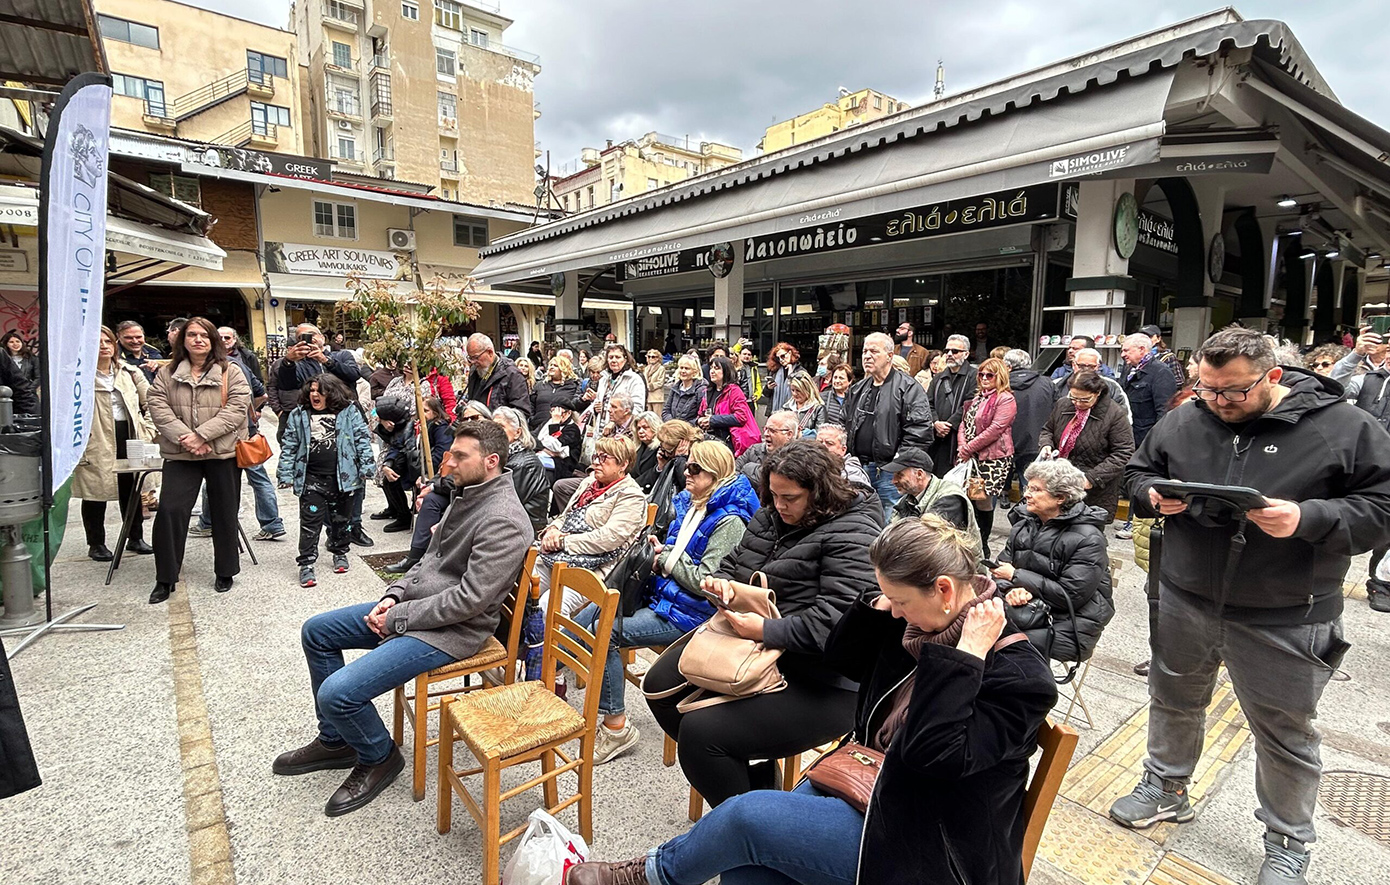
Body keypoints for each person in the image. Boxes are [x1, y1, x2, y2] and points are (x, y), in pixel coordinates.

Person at [571, 512, 1056, 885]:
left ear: (945, 591)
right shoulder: (920, 626)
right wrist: (874, 606)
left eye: (901, 600)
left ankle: (649, 875)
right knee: (747, 862)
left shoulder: (1017, 674)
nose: (898, 612)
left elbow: (937, 757)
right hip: (868, 781)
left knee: (743, 818)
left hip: (931, 841)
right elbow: (843, 662)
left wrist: (966, 659)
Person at [1113, 326, 1390, 884]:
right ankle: (1166, 785)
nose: (1218, 402)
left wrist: (1308, 519)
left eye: (1233, 392)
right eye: (1207, 389)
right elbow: (1139, 469)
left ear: (1274, 377)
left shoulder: (1344, 427)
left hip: (1285, 609)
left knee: (1285, 732)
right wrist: (1151, 494)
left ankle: (1287, 841)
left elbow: (1381, 506)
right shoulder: (1188, 415)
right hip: (1186, 593)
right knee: (1172, 697)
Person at [274, 420, 531, 817]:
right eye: (450, 454)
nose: (448, 464)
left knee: (337, 693)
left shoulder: (504, 519)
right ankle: (336, 740)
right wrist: (391, 596)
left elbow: (470, 602)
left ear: (491, 461)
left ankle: (379, 755)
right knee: (317, 632)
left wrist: (398, 617)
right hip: (417, 611)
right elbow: (427, 560)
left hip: (453, 632)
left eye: (460, 456)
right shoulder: (467, 495)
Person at [643, 441, 882, 807]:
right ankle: (750, 785)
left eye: (791, 497)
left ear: (820, 494)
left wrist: (764, 630)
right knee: (659, 686)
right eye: (773, 495)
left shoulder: (853, 532)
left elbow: (833, 624)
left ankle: (749, 824)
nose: (780, 505)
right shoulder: (771, 513)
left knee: (701, 734)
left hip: (822, 678)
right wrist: (718, 583)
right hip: (754, 648)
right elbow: (734, 562)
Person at [574, 442, 760, 765]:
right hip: (663, 595)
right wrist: (660, 552)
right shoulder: (694, 502)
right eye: (687, 466)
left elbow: (707, 584)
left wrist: (668, 559)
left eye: (695, 469)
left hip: (691, 615)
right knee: (588, 616)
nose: (685, 473)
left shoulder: (731, 521)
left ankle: (616, 725)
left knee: (604, 632)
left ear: (715, 475)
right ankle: (592, 692)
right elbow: (677, 553)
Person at [146, 317, 251, 604]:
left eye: (204, 335)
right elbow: (157, 407)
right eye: (192, 334)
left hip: (222, 452)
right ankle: (165, 578)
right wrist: (187, 438)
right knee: (170, 512)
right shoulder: (167, 373)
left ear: (214, 340)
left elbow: (236, 409)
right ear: (183, 340)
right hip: (180, 454)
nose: (198, 340)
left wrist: (203, 436)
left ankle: (225, 571)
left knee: (224, 512)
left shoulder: (232, 372)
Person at [990, 459, 1115, 664]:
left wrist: (1017, 577)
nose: (1026, 494)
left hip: (1069, 623)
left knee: (998, 644)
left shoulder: (1088, 538)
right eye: (1028, 487)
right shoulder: (1025, 524)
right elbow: (999, 570)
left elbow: (1070, 595)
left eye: (1036, 489)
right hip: (1024, 609)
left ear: (1060, 498)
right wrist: (1011, 590)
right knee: (967, 624)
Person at [277, 374, 375, 587]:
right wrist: (285, 474)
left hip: (344, 480)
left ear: (332, 392)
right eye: (311, 390)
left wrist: (368, 466)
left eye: (320, 391)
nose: (314, 395)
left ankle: (340, 551)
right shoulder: (299, 414)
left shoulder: (349, 412)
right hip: (311, 480)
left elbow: (362, 439)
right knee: (310, 524)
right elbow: (290, 445)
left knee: (342, 521)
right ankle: (306, 564)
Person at [534, 436, 646, 620]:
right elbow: (567, 515)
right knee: (526, 582)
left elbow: (608, 538)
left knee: (550, 603)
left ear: (623, 465)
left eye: (604, 458)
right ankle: (526, 641)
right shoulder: (589, 483)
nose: (595, 463)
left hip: (597, 569)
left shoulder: (631, 496)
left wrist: (563, 541)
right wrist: (552, 530)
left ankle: (560, 648)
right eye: (596, 456)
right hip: (562, 558)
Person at [74, 326, 155, 561]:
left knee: (132, 488)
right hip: (96, 438)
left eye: (107, 341)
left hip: (128, 433)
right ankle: (96, 543)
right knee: (94, 492)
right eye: (97, 342)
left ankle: (135, 537)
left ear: (115, 344)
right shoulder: (79, 375)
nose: (103, 346)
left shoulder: (129, 372)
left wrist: (148, 429)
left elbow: (152, 401)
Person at [385, 402, 494, 573]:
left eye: (474, 418)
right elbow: (446, 469)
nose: (469, 422)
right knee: (430, 499)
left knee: (435, 496)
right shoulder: (461, 440)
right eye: (465, 419)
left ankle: (432, 559)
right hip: (455, 489)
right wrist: (431, 485)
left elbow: (467, 479)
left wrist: (434, 487)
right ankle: (416, 556)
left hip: (476, 495)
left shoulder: (491, 444)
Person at [843, 332, 935, 520]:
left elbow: (920, 431)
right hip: (859, 467)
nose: (867, 356)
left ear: (890, 356)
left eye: (874, 351)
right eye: (865, 351)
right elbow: (845, 423)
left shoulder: (908, 388)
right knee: (859, 518)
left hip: (889, 471)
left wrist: (898, 464)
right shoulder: (858, 388)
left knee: (890, 519)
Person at [1038, 371, 1134, 522]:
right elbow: (1048, 429)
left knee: (1085, 537)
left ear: (1097, 393)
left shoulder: (1115, 414)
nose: (1077, 403)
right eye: (1073, 397)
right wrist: (1046, 445)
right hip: (1060, 480)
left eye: (1084, 400)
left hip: (1095, 488)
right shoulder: (1064, 404)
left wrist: (1091, 478)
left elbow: (1123, 452)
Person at [954, 357, 1016, 557]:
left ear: (1001, 376)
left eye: (990, 375)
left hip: (992, 459)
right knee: (969, 497)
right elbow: (964, 423)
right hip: (971, 456)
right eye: (981, 374)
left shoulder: (1005, 398)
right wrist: (963, 445)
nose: (985, 378)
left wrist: (968, 447)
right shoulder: (979, 396)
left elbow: (996, 429)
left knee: (982, 499)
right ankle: (973, 538)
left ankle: (984, 543)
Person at [274, 323, 362, 414]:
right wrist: (288, 362)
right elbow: (287, 387)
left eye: (312, 334)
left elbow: (354, 374)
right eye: (302, 337)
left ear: (322, 338)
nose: (310, 339)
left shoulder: (342, 355)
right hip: (317, 417)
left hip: (347, 414)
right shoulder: (299, 365)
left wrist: (325, 360)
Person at [1003, 348, 1059, 491]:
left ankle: (1005, 495)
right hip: (1037, 440)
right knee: (1031, 486)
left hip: (1005, 441)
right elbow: (1057, 411)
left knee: (1002, 481)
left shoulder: (1001, 384)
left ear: (1007, 366)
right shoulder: (1047, 383)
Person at [884, 447, 974, 532]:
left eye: (900, 475)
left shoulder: (950, 498)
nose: (893, 481)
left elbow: (928, 538)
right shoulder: (906, 501)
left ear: (919, 474)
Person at [491, 406, 550, 535]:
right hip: (508, 522)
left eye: (501, 427)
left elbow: (503, 502)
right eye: (493, 427)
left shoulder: (524, 464)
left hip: (522, 529)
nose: (495, 432)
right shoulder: (503, 457)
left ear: (518, 432)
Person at [581, 343, 647, 451]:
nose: (614, 360)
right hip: (601, 430)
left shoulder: (634, 379)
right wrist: (597, 407)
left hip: (623, 433)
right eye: (611, 357)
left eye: (618, 357)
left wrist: (615, 422)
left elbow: (637, 409)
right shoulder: (603, 379)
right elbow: (599, 402)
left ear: (625, 359)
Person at [927, 334, 976, 477]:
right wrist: (936, 422)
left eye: (955, 351)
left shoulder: (974, 376)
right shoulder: (938, 378)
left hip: (960, 440)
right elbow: (927, 403)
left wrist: (949, 425)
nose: (949, 354)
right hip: (936, 439)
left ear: (966, 354)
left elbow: (971, 404)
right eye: (947, 351)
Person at [1120, 332, 1178, 447]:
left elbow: (1165, 410)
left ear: (1141, 349)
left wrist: (1156, 442)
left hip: (1145, 438)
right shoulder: (1128, 369)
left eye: (1126, 350)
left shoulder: (1161, 372)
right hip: (1127, 435)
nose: (1122, 354)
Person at [698, 355, 759, 456]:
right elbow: (700, 414)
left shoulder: (734, 391)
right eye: (711, 368)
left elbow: (741, 417)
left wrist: (712, 420)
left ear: (726, 371)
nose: (712, 371)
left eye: (717, 368)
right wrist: (700, 420)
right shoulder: (707, 391)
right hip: (709, 441)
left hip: (728, 443)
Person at [371, 397, 415, 533]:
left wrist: (391, 465)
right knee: (386, 475)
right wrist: (387, 464)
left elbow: (404, 448)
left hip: (414, 460)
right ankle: (395, 509)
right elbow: (396, 444)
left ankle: (404, 516)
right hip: (404, 454)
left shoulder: (412, 426)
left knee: (391, 479)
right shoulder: (402, 425)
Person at [463, 332, 531, 417]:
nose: (473, 362)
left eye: (476, 357)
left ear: (490, 352)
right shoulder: (475, 371)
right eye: (470, 358)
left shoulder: (512, 375)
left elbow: (522, 413)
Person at [1059, 347, 1131, 419]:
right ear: (1074, 365)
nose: (1086, 370)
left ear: (1098, 367)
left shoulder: (1112, 386)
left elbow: (1124, 416)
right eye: (1081, 366)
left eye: (1091, 366)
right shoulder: (1057, 384)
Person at [734, 409, 797, 483]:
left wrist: (747, 468)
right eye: (765, 429)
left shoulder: (798, 458)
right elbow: (733, 474)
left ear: (789, 434)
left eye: (772, 430)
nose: (766, 434)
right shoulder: (754, 450)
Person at [1331, 324, 1390, 400]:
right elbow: (1336, 390)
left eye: (1377, 341)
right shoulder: (1367, 380)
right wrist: (1356, 354)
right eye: (1389, 351)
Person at [529, 355, 584, 436]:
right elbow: (531, 404)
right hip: (538, 429)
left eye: (555, 365)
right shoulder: (540, 385)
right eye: (550, 365)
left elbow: (575, 405)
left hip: (562, 431)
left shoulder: (574, 385)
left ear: (563, 368)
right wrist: (532, 419)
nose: (551, 367)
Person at [815, 423, 871, 490]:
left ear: (843, 450)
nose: (823, 446)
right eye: (819, 442)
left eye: (829, 443)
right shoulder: (809, 464)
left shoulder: (851, 472)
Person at [540, 403, 582, 481]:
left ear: (568, 413)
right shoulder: (549, 422)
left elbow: (555, 446)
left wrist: (555, 424)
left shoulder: (573, 429)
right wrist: (544, 448)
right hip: (547, 458)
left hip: (564, 467)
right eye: (553, 412)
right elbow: (536, 439)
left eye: (560, 413)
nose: (556, 416)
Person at [661, 355, 707, 423]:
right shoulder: (675, 388)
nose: (683, 371)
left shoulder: (701, 390)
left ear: (695, 371)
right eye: (681, 368)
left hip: (691, 431)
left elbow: (701, 416)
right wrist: (672, 424)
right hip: (672, 429)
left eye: (687, 368)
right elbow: (666, 411)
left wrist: (682, 427)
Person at [764, 342, 805, 414]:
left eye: (783, 356)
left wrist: (791, 375)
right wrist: (768, 387)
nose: (781, 360)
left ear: (790, 353)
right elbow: (766, 394)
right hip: (774, 412)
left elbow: (803, 392)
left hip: (793, 411)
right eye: (778, 358)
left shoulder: (800, 371)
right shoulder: (775, 371)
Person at [628, 411, 663, 491]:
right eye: (639, 428)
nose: (640, 431)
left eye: (645, 427)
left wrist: (634, 484)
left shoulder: (661, 448)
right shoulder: (636, 449)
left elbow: (654, 472)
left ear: (655, 427)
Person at [786, 372, 824, 437]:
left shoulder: (818, 409)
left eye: (798, 390)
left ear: (807, 390)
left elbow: (821, 435)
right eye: (792, 390)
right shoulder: (786, 407)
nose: (795, 394)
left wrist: (803, 435)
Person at [642, 349, 667, 413]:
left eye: (653, 357)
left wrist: (650, 386)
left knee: (657, 417)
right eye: (649, 356)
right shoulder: (646, 368)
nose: (651, 358)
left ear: (658, 358)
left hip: (657, 397)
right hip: (648, 396)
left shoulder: (661, 368)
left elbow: (661, 382)